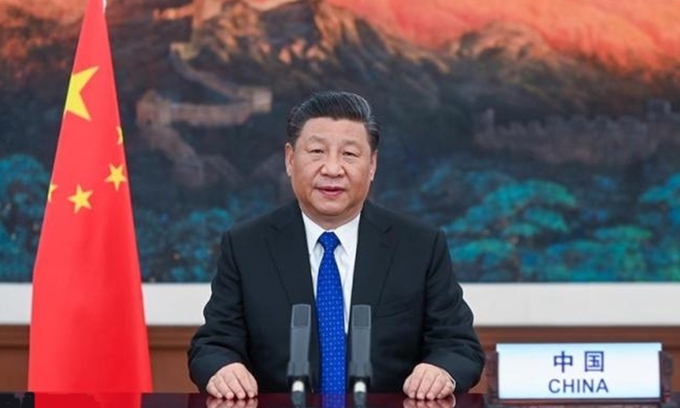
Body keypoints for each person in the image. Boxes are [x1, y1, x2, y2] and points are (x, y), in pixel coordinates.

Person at [188, 91, 484, 400]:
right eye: (317, 151)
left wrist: (440, 370)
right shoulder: (246, 246)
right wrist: (224, 369)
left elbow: (459, 346)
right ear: (290, 159)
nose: (332, 169)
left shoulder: (419, 247)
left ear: (372, 165)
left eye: (349, 154)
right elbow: (212, 345)